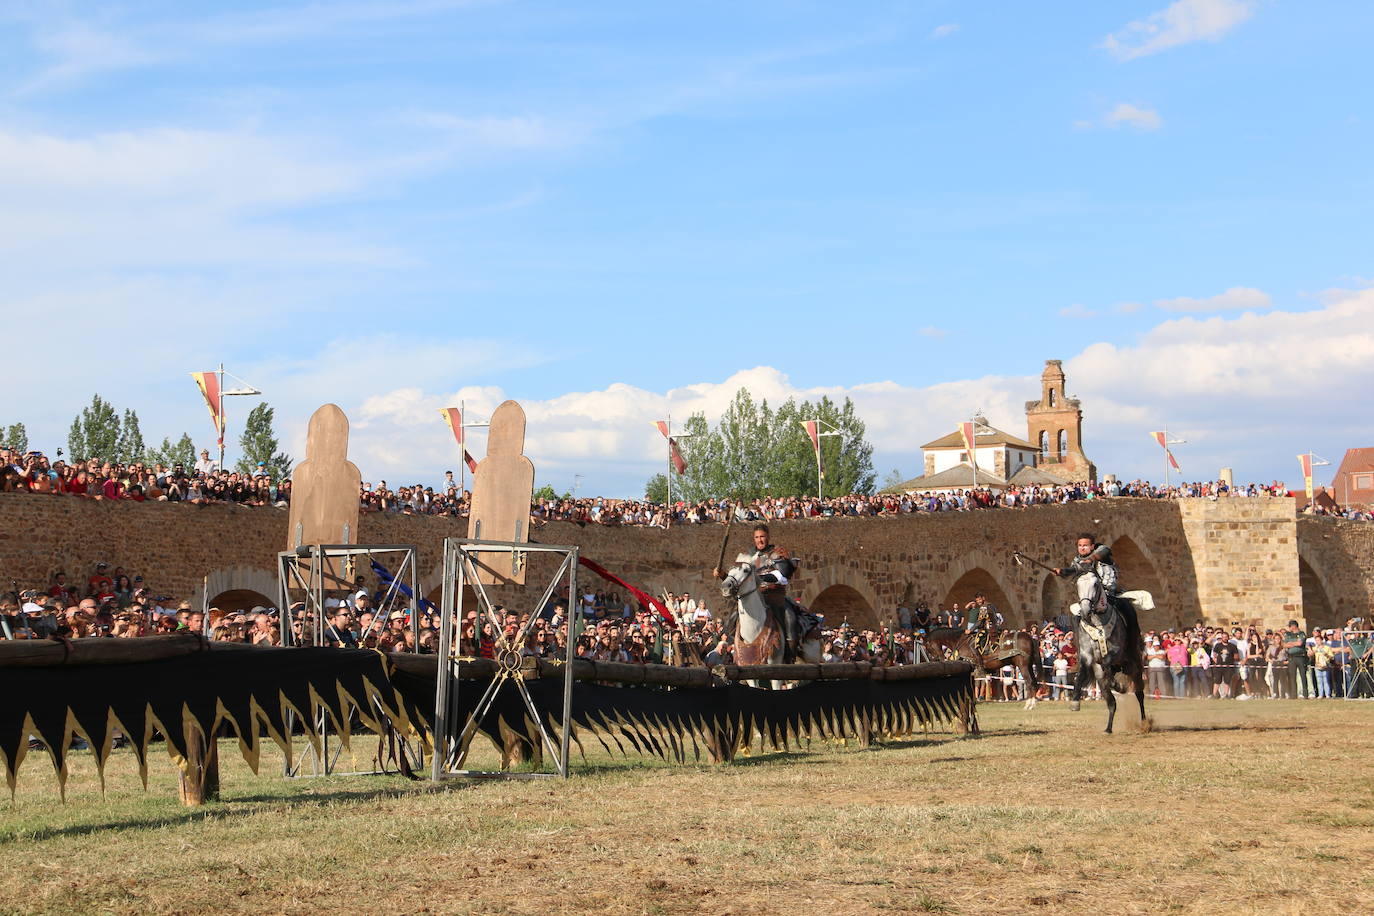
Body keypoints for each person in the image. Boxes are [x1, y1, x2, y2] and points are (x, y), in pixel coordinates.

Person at [713, 523, 805, 659]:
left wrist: (756, 577)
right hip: (754, 597)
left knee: (789, 619)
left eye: (762, 536)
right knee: (732, 619)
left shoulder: (777, 553)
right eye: (756, 537)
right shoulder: (747, 556)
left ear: (768, 536)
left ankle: (790, 656)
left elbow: (782, 576)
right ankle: (731, 651)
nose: (759, 540)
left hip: (774, 598)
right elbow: (738, 579)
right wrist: (722, 575)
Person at [1053, 533, 1118, 626]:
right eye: (1080, 545)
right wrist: (1061, 571)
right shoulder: (1077, 561)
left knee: (1127, 609)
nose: (1082, 548)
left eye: (1085, 545)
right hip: (1088, 598)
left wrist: (1091, 559)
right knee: (1076, 619)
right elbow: (1074, 570)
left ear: (1092, 546)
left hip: (1110, 596)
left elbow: (1105, 551)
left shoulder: (1101, 550)